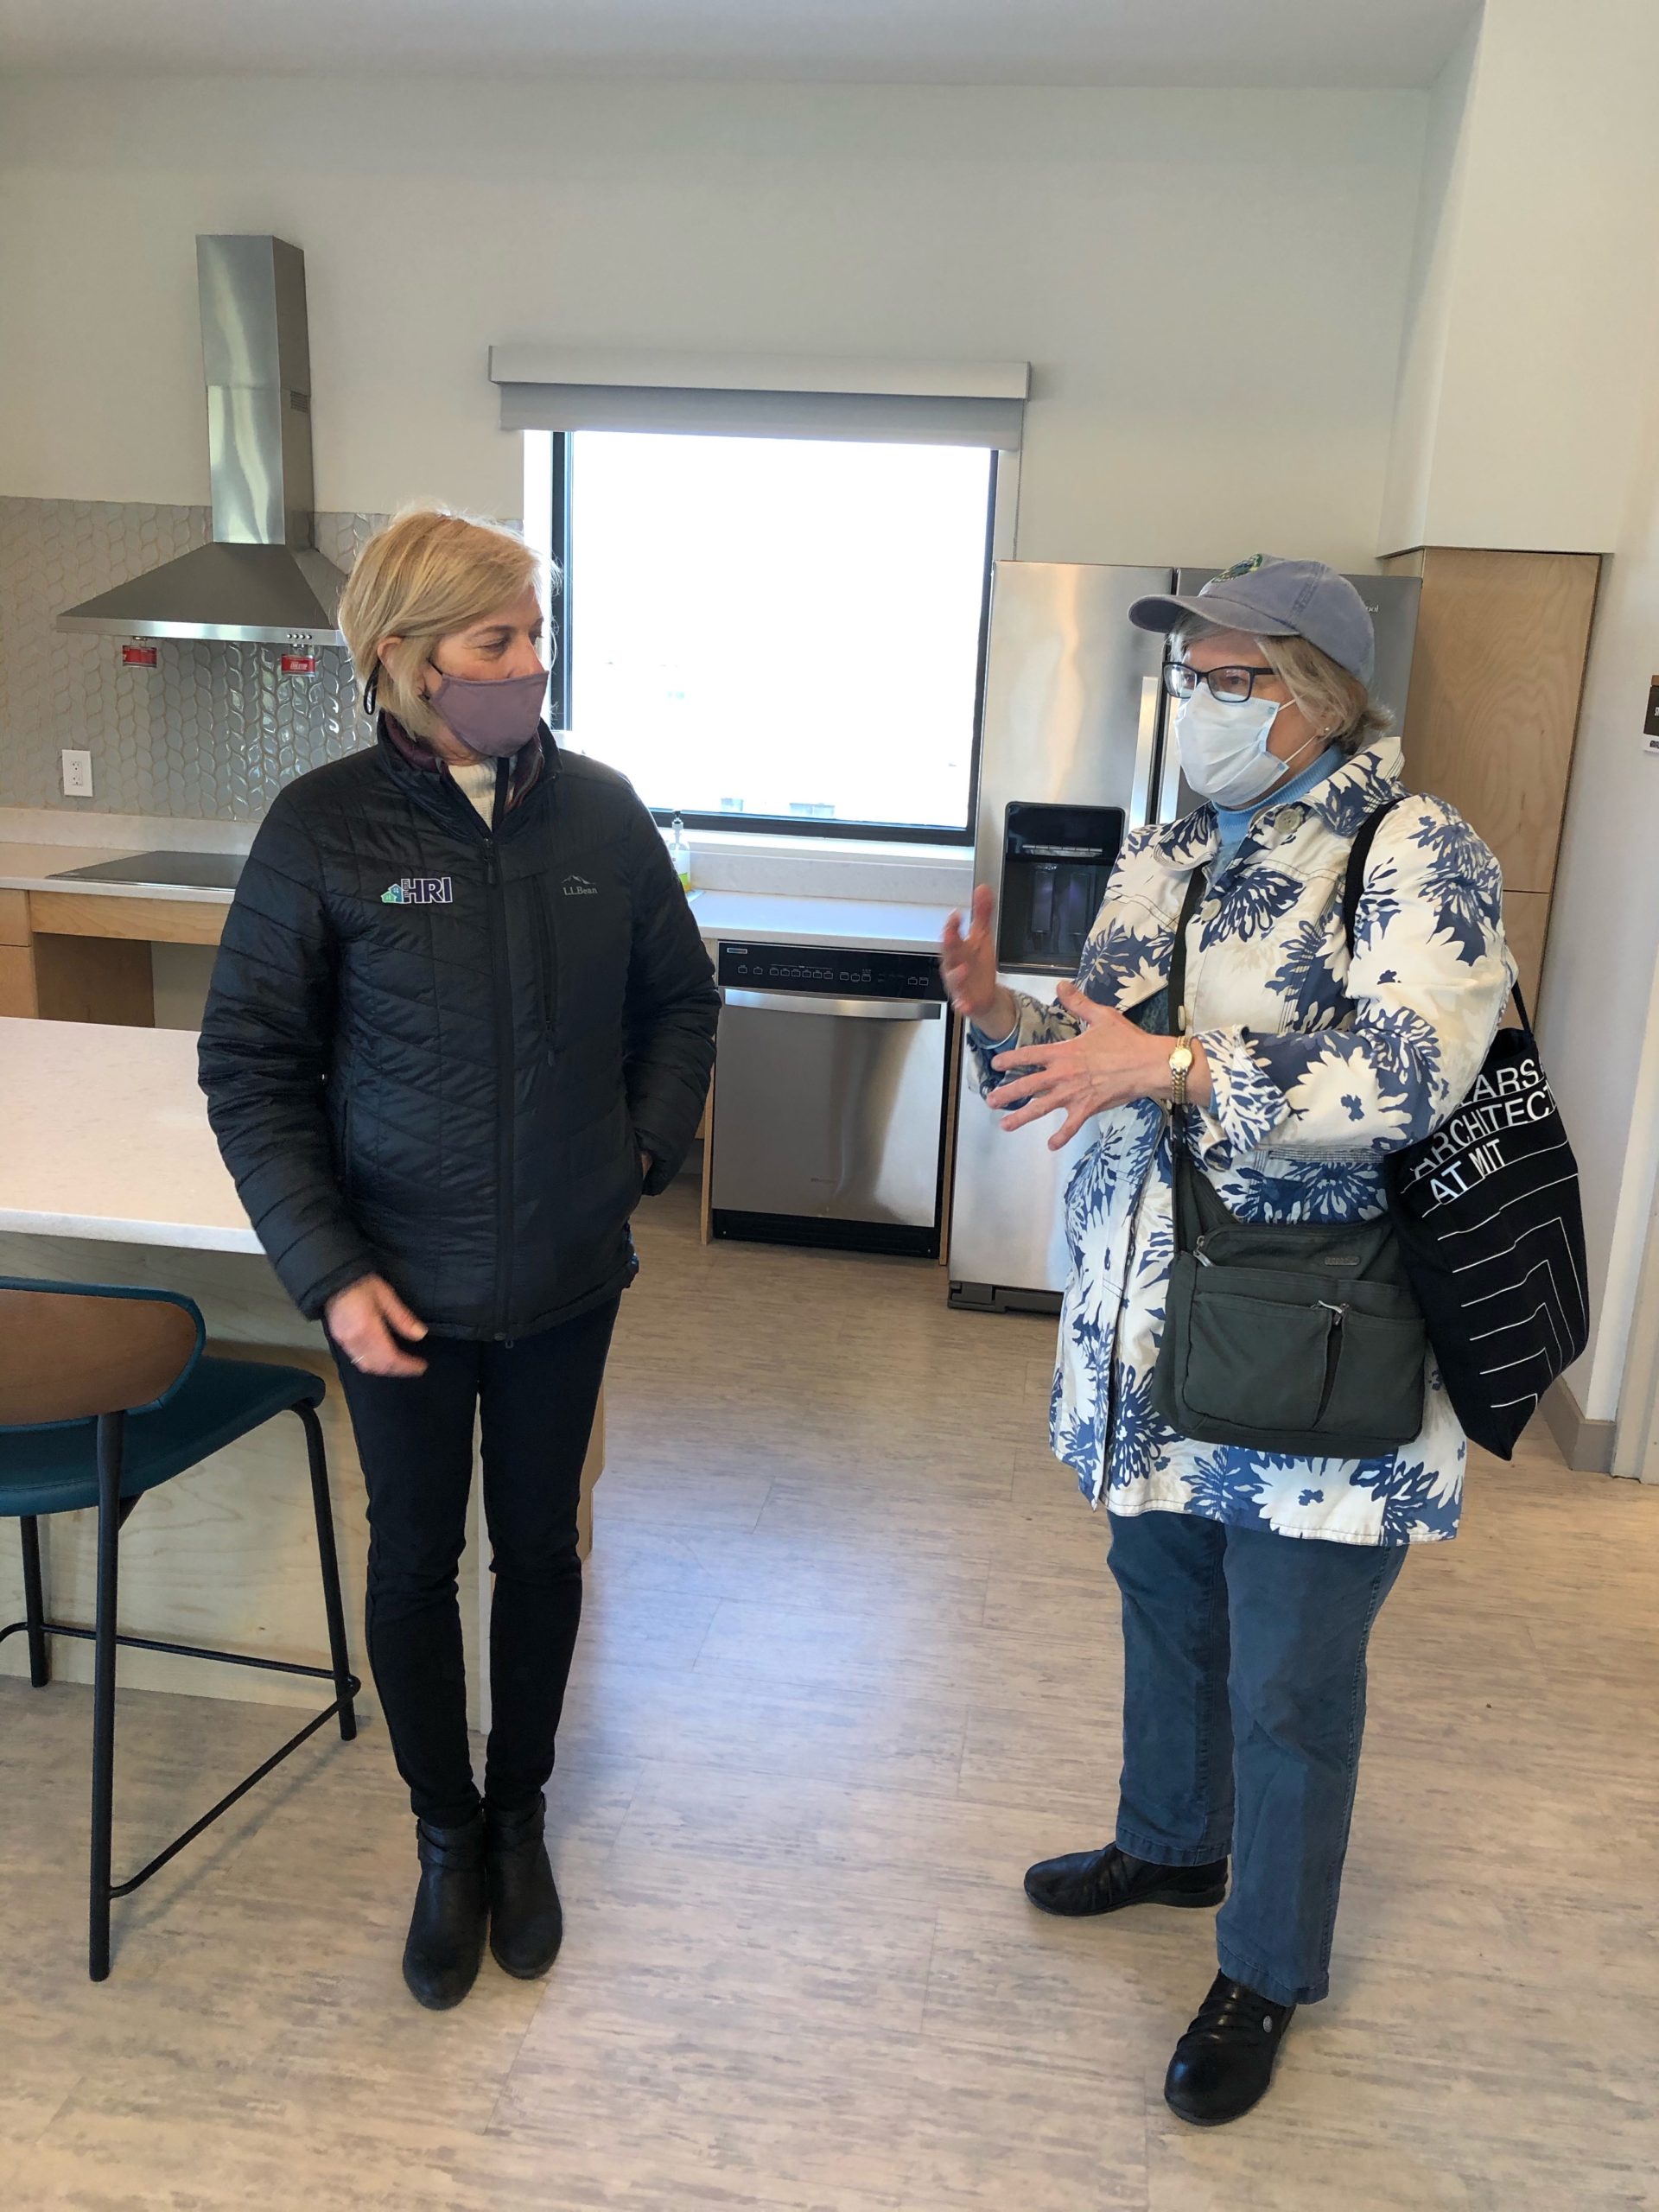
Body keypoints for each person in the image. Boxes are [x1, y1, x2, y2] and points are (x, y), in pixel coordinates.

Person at [939, 556, 1511, 2124]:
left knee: (1290, 1680)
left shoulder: (1417, 851)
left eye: (1232, 677)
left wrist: (1182, 1068)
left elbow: (1409, 1079)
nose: (1203, 702)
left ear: (1316, 690)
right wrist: (1005, 1014)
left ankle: (1265, 1964)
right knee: (1165, 1605)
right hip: (1149, 1336)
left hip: (1317, 1338)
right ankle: (1174, 1843)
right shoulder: (1172, 850)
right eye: (1194, 677)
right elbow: (1103, 1051)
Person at [199, 507, 718, 2010]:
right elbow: (250, 1063)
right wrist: (326, 1266)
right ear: (406, 662)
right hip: (400, 1292)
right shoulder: (321, 829)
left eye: (538, 635)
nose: (530, 667)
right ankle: (444, 1838)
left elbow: (683, 1002)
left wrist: (638, 1156)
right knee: (416, 1562)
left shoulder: (606, 819)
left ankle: (521, 1816)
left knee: (543, 1549)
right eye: (499, 642)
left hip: (565, 1280)